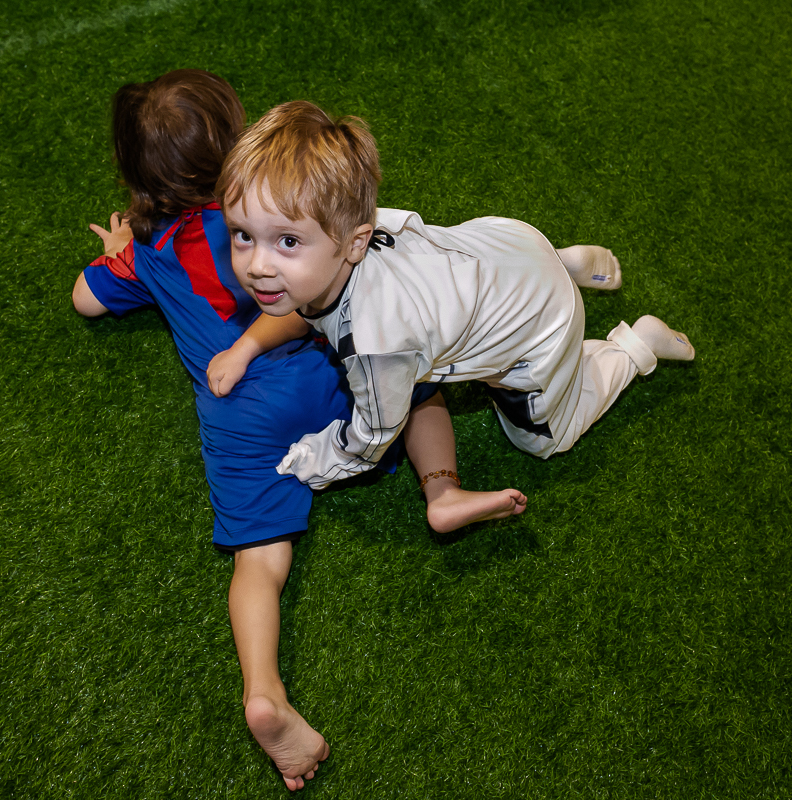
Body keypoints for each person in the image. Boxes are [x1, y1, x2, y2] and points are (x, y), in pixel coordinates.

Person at [71, 71, 524, 791]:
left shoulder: (149, 253)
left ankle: (264, 691)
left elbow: (86, 302)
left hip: (241, 417)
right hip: (323, 368)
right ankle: (442, 488)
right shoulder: (272, 220)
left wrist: (118, 247)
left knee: (259, 557)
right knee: (420, 386)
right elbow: (302, 291)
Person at [211, 100, 695, 489]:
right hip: (507, 243)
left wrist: (315, 460)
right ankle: (557, 259)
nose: (257, 266)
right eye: (242, 235)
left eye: (287, 241)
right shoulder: (349, 223)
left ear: (354, 242)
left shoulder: (377, 346)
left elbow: (373, 435)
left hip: (541, 319)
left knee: (545, 441)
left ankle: (635, 346)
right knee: (482, 269)